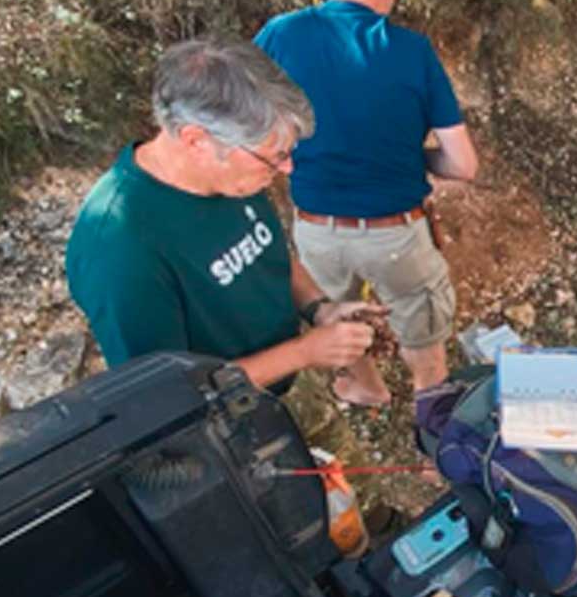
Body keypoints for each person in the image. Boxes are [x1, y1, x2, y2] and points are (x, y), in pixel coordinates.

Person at [65, 38, 387, 530]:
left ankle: (378, 529)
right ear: (196, 140)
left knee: (347, 488)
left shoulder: (233, 177)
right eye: (273, 157)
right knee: (296, 530)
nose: (287, 170)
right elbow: (165, 402)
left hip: (290, 388)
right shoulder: (122, 248)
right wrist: (305, 352)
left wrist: (319, 310)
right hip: (225, 441)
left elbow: (270, 250)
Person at [255, 0, 479, 407]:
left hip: (315, 227)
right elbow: (463, 164)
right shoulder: (413, 51)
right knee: (424, 337)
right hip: (395, 232)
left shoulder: (278, 35)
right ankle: (433, 437)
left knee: (334, 315)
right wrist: (416, 159)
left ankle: (366, 386)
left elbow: (247, 123)